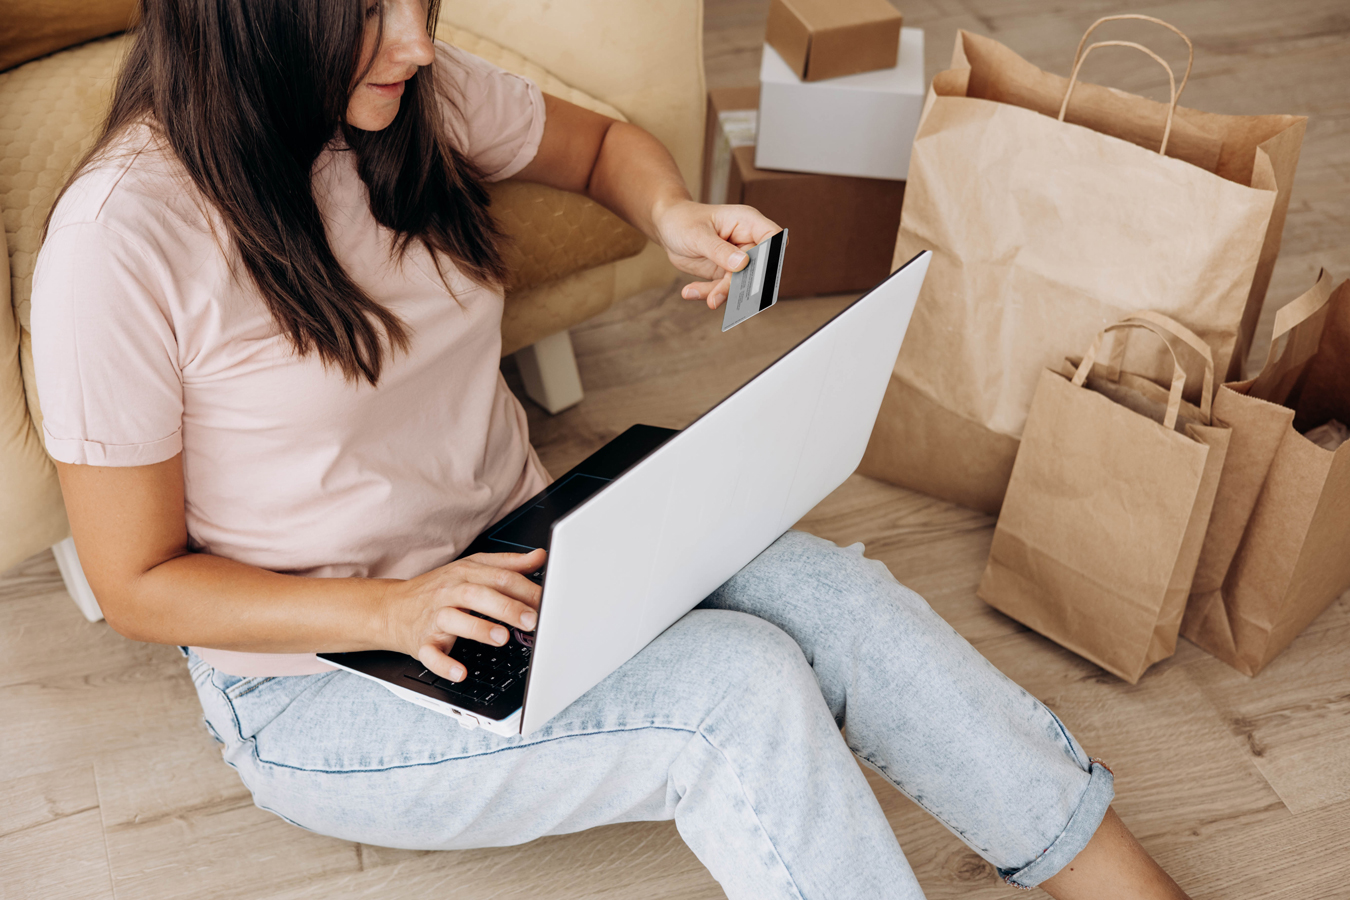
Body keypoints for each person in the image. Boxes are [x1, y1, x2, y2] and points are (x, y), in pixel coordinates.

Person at [31, 1, 1192, 897]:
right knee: (735, 693)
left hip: (533, 542)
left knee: (839, 596)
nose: (418, 43)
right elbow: (137, 583)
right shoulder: (121, 243)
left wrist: (673, 216)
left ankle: (1106, 872)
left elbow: (598, 149)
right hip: (324, 676)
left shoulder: (396, 103)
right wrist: (393, 613)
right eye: (371, 13)